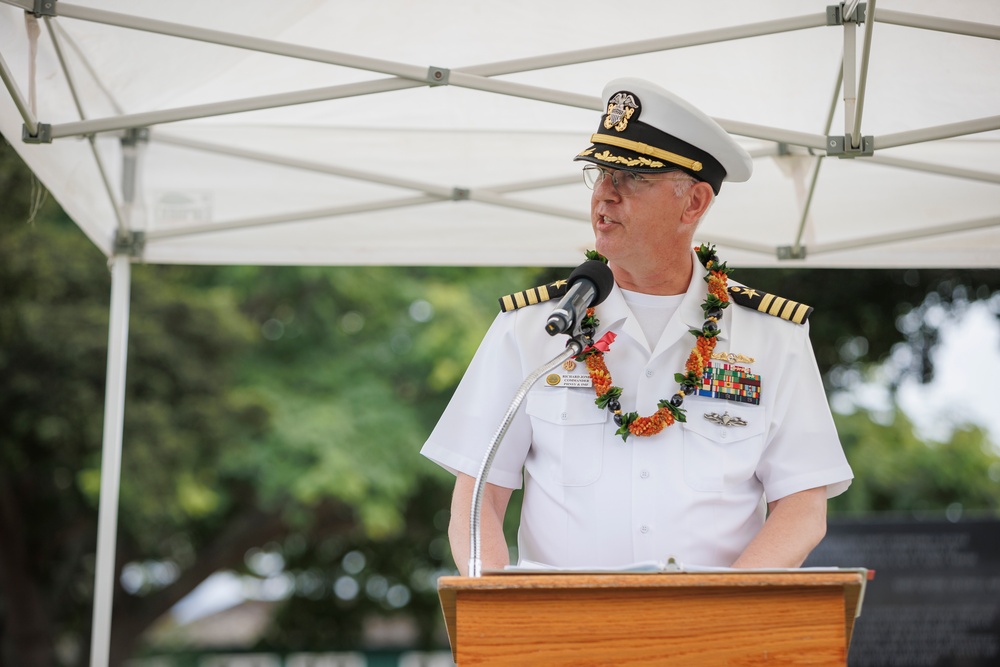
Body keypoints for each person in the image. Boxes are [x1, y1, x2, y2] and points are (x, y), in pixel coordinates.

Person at [420, 78, 853, 575]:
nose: (605, 195)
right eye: (600, 174)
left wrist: (722, 612)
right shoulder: (534, 328)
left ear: (694, 202)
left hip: (710, 641)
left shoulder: (773, 338)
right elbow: (477, 496)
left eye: (631, 178)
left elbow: (802, 507)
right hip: (562, 637)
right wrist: (495, 607)